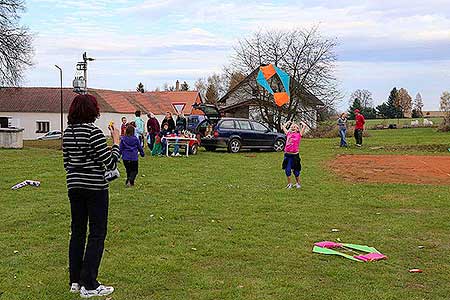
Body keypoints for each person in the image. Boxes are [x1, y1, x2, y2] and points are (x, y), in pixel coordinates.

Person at [62, 94, 119, 298]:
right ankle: (90, 283)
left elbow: (67, 163)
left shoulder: (67, 133)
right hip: (95, 188)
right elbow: (110, 162)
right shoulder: (93, 133)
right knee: (97, 233)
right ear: (92, 111)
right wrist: (116, 141)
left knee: (77, 232)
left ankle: (75, 280)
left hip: (74, 187)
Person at [281, 121, 306, 189]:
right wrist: (288, 123)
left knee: (296, 171)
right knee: (287, 170)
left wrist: (301, 123)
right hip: (287, 155)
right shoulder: (288, 134)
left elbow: (304, 126)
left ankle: (298, 183)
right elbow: (283, 127)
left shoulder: (299, 135)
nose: (293, 128)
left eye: (294, 127)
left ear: (297, 129)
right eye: (292, 127)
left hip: (295, 156)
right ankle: (289, 184)